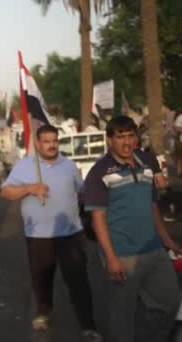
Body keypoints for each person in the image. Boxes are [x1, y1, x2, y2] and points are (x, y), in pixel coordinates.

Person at [0, 125, 102, 341]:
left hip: (71, 234)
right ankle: (44, 312)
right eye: (46, 141)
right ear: (37, 144)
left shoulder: (69, 166)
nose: (51, 145)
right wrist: (30, 189)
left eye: (54, 140)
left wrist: (94, 215)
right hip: (38, 235)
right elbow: (6, 192)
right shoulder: (25, 166)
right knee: (42, 279)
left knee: (78, 281)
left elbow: (82, 193)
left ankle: (88, 324)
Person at [84, 116, 181, 342]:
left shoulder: (146, 163)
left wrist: (166, 239)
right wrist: (111, 257)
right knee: (122, 316)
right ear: (109, 140)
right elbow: (98, 217)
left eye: (130, 135)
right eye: (120, 137)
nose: (127, 142)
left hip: (154, 249)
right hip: (123, 255)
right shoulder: (100, 171)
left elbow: (153, 205)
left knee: (169, 302)